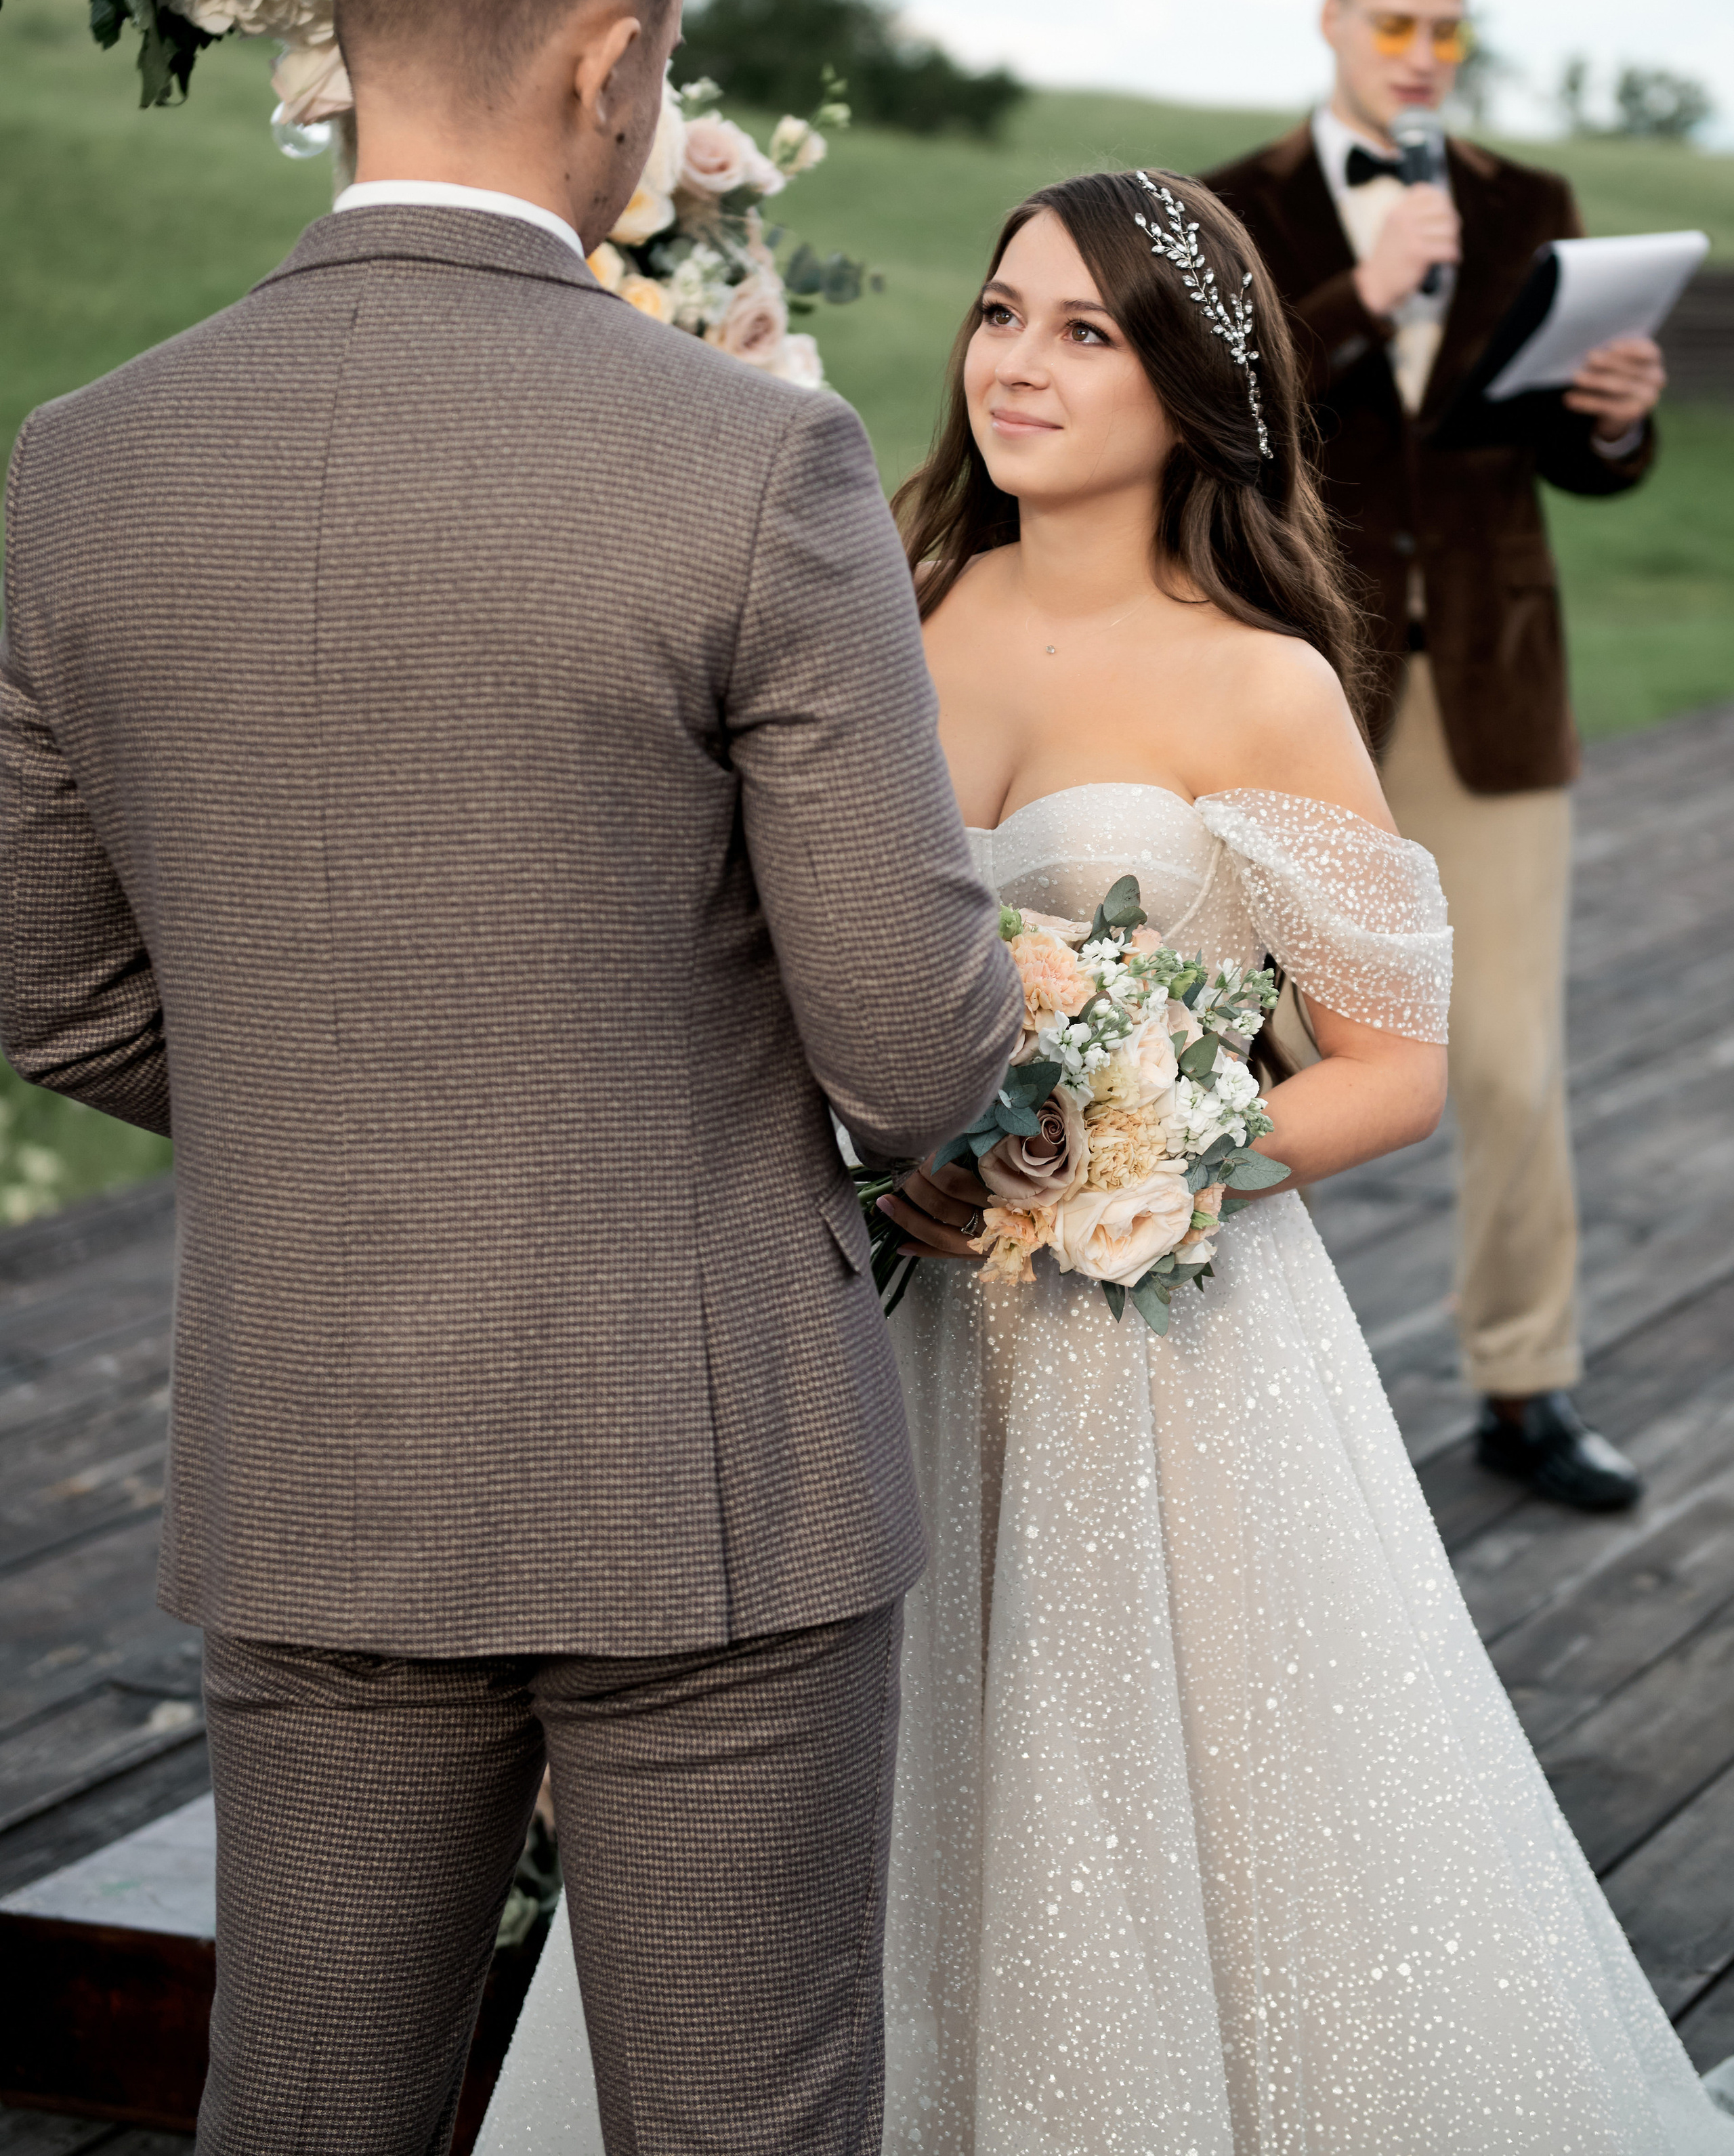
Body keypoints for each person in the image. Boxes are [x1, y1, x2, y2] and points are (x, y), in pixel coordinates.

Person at [481, 171, 1734, 2153]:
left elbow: (1393, 1067)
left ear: (1190, 387)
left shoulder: (1262, 677)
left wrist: (1147, 1167)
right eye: (1000, 313)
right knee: (855, 1829)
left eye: (1086, 329)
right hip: (877, 1349)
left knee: (1146, 1831)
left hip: (1164, 1376)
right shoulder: (871, 596)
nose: (1020, 364)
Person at [0, 0, 1022, 2156]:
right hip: (706, 1477)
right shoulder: (749, 463)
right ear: (614, 56)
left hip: (316, 1439)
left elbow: (44, 982)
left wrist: (333, 1098)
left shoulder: (89, 463)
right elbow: (911, 1034)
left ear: (353, 18)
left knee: (307, 2114)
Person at [1202, 0, 1664, 1515]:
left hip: (1488, 687)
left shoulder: (1527, 204)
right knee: (1250, 1051)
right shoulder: (1237, 210)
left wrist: (1612, 416)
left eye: (1442, 28)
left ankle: (1524, 1390)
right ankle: (1215, 1382)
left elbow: (1571, 457)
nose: (1418, 55)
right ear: (1330, 20)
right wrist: (1357, 292)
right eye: (1390, 23)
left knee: (1511, 1065)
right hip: (1293, 692)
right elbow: (1217, 421)